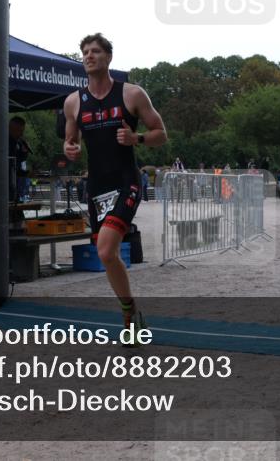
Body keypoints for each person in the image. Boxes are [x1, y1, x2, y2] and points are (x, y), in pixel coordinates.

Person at [63, 33, 167, 339]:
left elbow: (161, 133)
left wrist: (138, 139)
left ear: (109, 57)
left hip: (126, 181)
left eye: (95, 51)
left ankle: (129, 317)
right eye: (84, 52)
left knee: (106, 248)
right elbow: (69, 142)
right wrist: (70, 149)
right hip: (97, 186)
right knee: (106, 255)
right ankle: (131, 311)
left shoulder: (132, 94)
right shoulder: (73, 102)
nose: (89, 56)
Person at [8, 116, 32, 203]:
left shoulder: (17, 143)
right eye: (20, 131)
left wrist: (25, 152)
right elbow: (10, 166)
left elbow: (16, 165)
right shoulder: (6, 143)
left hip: (14, 185)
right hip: (6, 185)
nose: (21, 134)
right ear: (12, 128)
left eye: (23, 131)